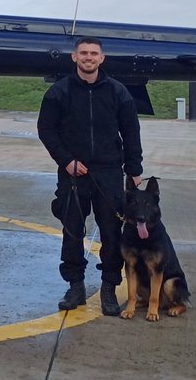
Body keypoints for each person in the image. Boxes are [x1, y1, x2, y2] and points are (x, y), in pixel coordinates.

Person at [37, 36, 143, 316]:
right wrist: (67, 161)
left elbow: (131, 131)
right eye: (83, 52)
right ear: (74, 58)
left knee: (111, 231)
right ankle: (75, 286)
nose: (88, 57)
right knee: (72, 230)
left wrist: (134, 170)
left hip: (109, 171)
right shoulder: (59, 92)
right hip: (74, 173)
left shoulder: (118, 92)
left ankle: (109, 286)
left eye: (93, 53)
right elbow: (46, 130)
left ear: (101, 58)